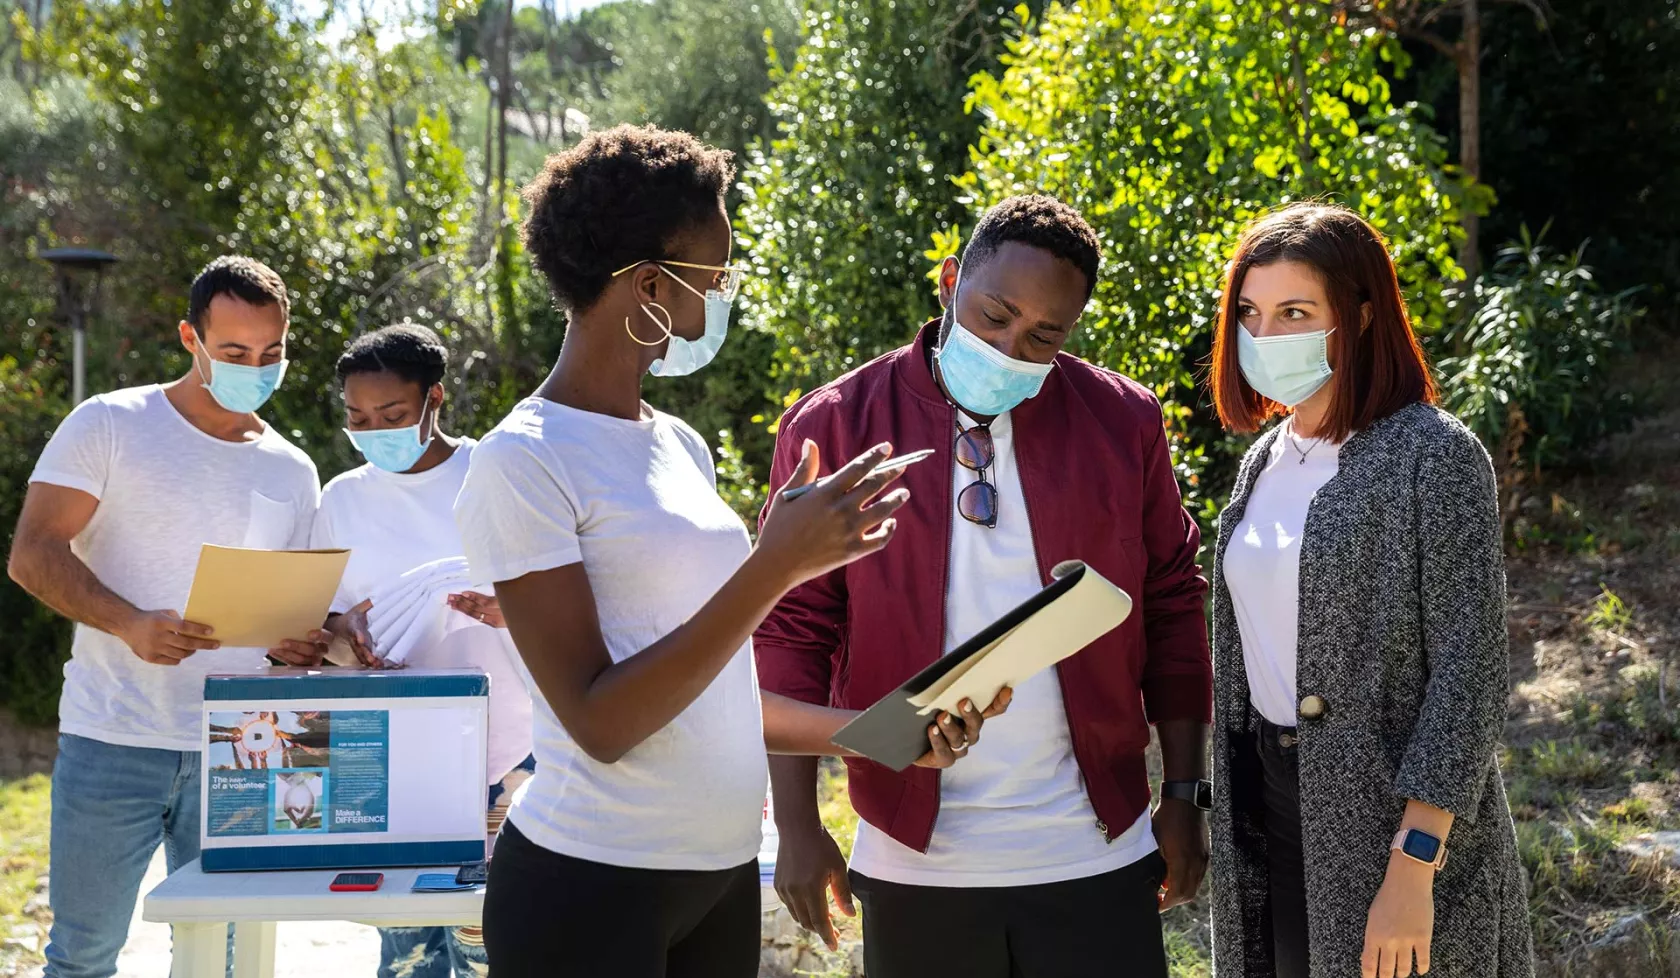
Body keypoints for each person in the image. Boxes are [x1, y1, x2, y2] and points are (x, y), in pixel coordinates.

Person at [451, 124, 998, 978]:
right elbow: (602, 722)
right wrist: (776, 563)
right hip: (590, 890)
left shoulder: (679, 444)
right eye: (714, 275)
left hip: (716, 878)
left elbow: (715, 690)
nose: (721, 299)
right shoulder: (521, 459)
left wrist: (884, 734)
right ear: (645, 286)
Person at [756, 194, 1214, 978]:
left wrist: (1184, 791)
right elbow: (791, 630)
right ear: (948, 281)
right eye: (994, 315)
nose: (1010, 347)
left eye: (1044, 335)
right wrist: (798, 821)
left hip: (1096, 850)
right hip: (915, 858)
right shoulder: (833, 425)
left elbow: (1173, 603)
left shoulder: (1122, 420)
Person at [1204, 203, 1534, 978]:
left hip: (1397, 826)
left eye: (1295, 312)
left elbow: (1472, 670)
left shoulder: (1435, 455)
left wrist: (1415, 863)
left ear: (1357, 315)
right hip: (1270, 806)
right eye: (1250, 314)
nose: (1265, 336)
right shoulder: (1264, 461)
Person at [7, 256, 329, 978]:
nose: (258, 367)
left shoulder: (293, 468)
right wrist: (128, 623)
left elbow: (288, 613)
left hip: (247, 749)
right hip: (113, 734)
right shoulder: (110, 424)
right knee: (83, 956)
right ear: (191, 337)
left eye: (272, 352)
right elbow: (31, 554)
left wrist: (306, 641)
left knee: (231, 959)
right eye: (236, 352)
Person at [307, 323, 535, 978]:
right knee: (405, 949)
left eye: (392, 414)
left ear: (435, 399)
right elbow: (326, 624)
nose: (373, 429)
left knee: (488, 940)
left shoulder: (494, 475)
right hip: (392, 753)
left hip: (508, 750)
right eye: (357, 416)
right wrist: (345, 634)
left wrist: (505, 609)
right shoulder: (342, 499)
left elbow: (566, 596)